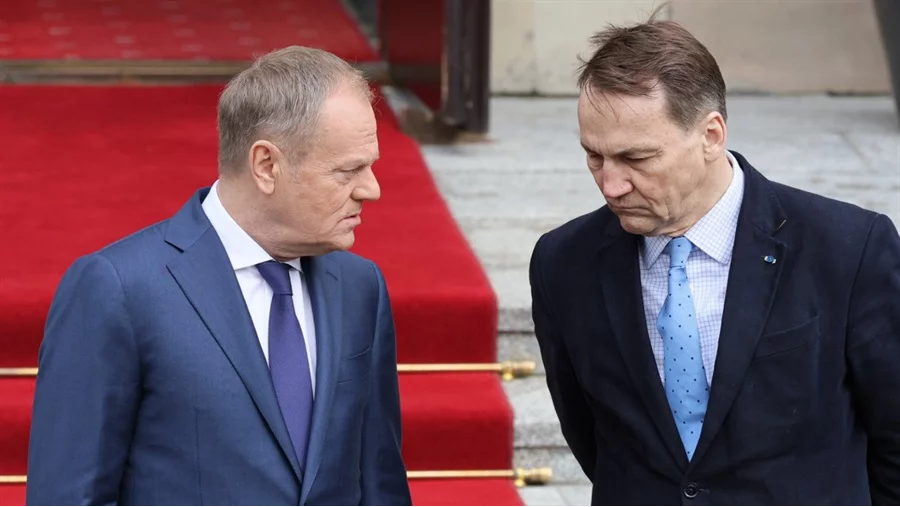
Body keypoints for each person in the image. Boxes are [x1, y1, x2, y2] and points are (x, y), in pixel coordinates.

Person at [530, 17, 900, 505]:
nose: (611, 185)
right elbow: (588, 433)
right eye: (595, 157)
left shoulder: (848, 249)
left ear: (711, 135)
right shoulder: (563, 263)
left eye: (636, 159)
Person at [26, 46, 412, 505]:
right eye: (348, 171)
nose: (372, 189)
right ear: (266, 165)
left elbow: (380, 482)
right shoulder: (119, 288)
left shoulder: (359, 286)